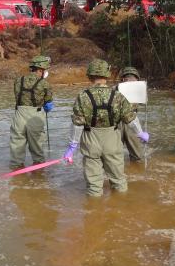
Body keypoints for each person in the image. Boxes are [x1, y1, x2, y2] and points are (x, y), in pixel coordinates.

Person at [63, 59, 149, 197]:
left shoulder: (83, 96)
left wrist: (72, 146)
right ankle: (121, 211)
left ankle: (95, 214)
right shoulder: (118, 96)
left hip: (91, 140)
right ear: (107, 75)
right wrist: (140, 133)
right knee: (119, 181)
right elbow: (131, 118)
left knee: (93, 186)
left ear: (90, 76)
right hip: (112, 140)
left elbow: (77, 123)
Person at [9, 55, 53, 170]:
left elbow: (18, 96)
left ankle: (17, 177)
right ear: (40, 70)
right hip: (35, 116)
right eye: (45, 70)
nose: (46, 72)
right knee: (37, 149)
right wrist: (47, 107)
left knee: (16, 147)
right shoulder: (44, 83)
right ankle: (38, 177)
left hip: (19, 115)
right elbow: (48, 104)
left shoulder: (18, 80)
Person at [118, 67, 145, 161]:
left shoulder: (115, 88)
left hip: (117, 123)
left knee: (115, 156)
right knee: (137, 156)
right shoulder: (139, 88)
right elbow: (143, 103)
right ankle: (137, 173)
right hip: (131, 121)